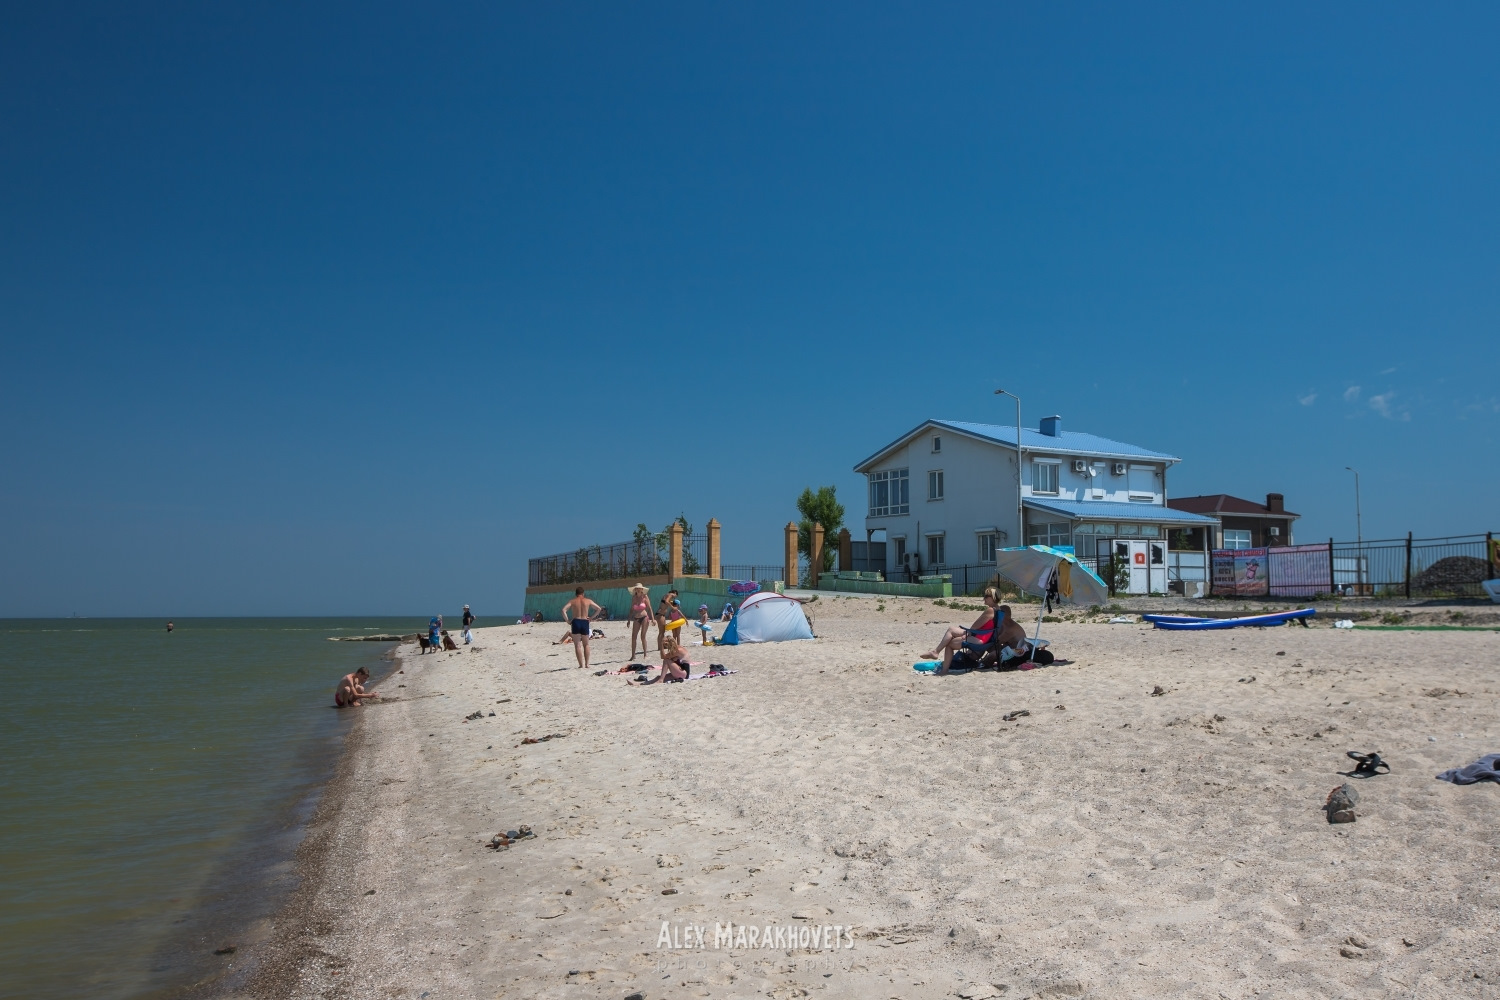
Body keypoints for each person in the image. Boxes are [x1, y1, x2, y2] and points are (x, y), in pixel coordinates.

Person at [924, 588, 1009, 674]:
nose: (984, 598)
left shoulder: (990, 610)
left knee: (949, 644)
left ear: (993, 597)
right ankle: (936, 652)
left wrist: (967, 634)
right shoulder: (1000, 611)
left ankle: (943, 670)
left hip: (980, 639)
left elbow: (974, 626)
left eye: (986, 596)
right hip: (984, 637)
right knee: (951, 629)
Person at [562, 587, 602, 669]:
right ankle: (587, 664)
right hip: (584, 622)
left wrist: (568, 621)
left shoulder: (572, 601)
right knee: (586, 644)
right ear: (583, 593)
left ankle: (581, 665)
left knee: (577, 645)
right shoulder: (588, 601)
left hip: (576, 622)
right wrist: (591, 618)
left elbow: (563, 610)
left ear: (576, 594)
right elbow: (599, 609)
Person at [628, 583, 653, 660]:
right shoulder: (634, 598)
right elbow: (632, 609)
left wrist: (653, 619)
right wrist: (629, 620)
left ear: (642, 589)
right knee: (633, 636)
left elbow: (649, 608)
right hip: (636, 618)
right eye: (637, 588)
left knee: (643, 636)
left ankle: (645, 654)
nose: (638, 589)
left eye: (640, 588)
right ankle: (633, 655)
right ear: (635, 589)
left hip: (644, 617)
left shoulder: (645, 597)